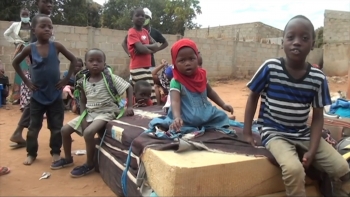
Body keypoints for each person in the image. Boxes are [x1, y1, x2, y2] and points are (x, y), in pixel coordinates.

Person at [243, 15, 350, 197]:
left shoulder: (318, 78)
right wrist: (247, 132)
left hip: (302, 132)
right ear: (283, 41)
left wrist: (313, 149)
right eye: (291, 37)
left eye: (304, 38)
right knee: (294, 170)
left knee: (342, 168)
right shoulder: (270, 67)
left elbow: (318, 117)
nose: (297, 42)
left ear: (313, 44)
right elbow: (253, 96)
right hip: (274, 132)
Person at [50, 48, 134, 178]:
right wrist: (83, 119)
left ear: (104, 64)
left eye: (99, 61)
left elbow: (129, 87)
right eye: (91, 61)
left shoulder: (109, 78)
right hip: (90, 112)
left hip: (106, 111)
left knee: (88, 133)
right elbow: (82, 102)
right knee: (64, 130)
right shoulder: (83, 81)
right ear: (86, 63)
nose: (95, 63)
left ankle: (89, 163)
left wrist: (129, 106)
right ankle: (67, 158)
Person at [12, 14, 77, 165]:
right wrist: (27, 81)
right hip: (37, 96)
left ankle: (55, 151)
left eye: (50, 26)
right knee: (33, 128)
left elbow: (74, 60)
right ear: (34, 30)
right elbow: (15, 63)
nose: (47, 29)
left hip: (55, 95)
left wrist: (65, 80)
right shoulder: (30, 48)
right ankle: (31, 153)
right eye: (43, 26)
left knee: (56, 127)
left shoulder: (57, 46)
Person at [148, 38, 234, 136]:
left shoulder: (201, 76)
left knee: (221, 115)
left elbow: (210, 92)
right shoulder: (176, 81)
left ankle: (216, 120)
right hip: (186, 115)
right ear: (174, 63)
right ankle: (172, 123)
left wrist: (223, 104)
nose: (188, 63)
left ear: (197, 59)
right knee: (179, 125)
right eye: (182, 60)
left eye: (191, 59)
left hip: (205, 111)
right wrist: (177, 117)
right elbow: (175, 101)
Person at [9, 0, 54, 149]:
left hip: (41, 67)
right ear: (37, 3)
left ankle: (19, 131)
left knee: (37, 100)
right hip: (40, 68)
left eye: (52, 2)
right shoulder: (38, 20)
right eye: (46, 2)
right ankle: (56, 133)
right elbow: (35, 47)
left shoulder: (43, 19)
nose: (50, 4)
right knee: (40, 100)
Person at [127, 7, 158, 105]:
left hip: (146, 68)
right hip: (137, 68)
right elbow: (141, 49)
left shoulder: (145, 32)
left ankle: (150, 113)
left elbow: (156, 46)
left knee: (150, 93)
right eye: (137, 15)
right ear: (132, 18)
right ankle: (143, 115)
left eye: (143, 16)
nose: (140, 17)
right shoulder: (132, 32)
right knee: (144, 95)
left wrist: (143, 47)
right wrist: (147, 49)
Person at [4, 8, 31, 104]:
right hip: (20, 49)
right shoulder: (15, 25)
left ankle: (27, 95)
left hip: (30, 50)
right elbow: (6, 34)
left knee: (30, 72)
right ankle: (17, 97)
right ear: (20, 15)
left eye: (26, 15)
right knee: (19, 72)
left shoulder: (32, 25)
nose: (25, 17)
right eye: (23, 15)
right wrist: (15, 41)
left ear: (29, 15)